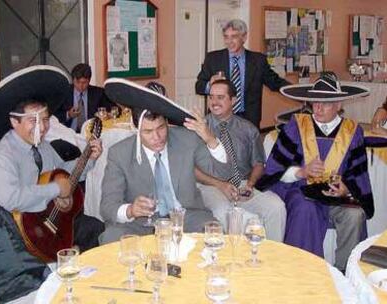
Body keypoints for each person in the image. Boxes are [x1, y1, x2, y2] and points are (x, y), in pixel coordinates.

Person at [0, 66, 104, 253]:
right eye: (33, 121)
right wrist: (55, 189)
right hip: (13, 232)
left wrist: (89, 159)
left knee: (96, 230)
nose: (42, 127)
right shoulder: (2, 156)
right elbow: (10, 198)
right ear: (15, 122)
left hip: (45, 221)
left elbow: (63, 173)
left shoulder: (42, 145)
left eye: (45, 120)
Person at [257, 72, 374, 272]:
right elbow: (275, 170)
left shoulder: (352, 131)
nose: (317, 108)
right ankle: (304, 270)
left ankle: (344, 272)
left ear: (338, 104)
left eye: (325, 103)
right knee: (305, 209)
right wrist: (301, 172)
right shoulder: (296, 126)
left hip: (338, 198)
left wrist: (346, 188)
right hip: (303, 193)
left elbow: (358, 174)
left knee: (355, 216)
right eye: (314, 102)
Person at [99, 79, 232, 243]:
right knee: (110, 238)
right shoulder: (119, 153)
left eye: (161, 128)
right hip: (141, 224)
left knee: (215, 236)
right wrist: (131, 210)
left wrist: (210, 138)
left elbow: (223, 173)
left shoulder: (187, 140)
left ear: (167, 123)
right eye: (148, 131)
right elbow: (107, 206)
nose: (157, 137)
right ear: (137, 130)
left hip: (186, 217)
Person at [196, 79, 286, 241]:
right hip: (210, 186)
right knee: (224, 211)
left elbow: (258, 163)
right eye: (211, 97)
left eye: (220, 97)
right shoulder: (199, 128)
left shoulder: (248, 129)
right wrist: (220, 184)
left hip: (242, 184)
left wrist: (250, 185)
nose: (214, 102)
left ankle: (274, 258)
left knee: (276, 206)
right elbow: (192, 169)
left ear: (233, 100)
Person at [195, 19, 290, 128]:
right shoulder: (213, 59)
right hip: (219, 117)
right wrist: (209, 84)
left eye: (234, 36)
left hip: (248, 119)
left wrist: (299, 91)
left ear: (244, 37)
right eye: (226, 37)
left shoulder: (258, 60)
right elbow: (199, 86)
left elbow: (275, 83)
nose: (229, 41)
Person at [55, 63, 119, 132]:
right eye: (77, 82)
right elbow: (53, 115)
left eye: (84, 82)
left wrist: (107, 115)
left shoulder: (99, 93)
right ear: (73, 80)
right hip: (68, 134)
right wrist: (68, 114)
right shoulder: (64, 92)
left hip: (92, 134)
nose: (80, 85)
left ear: (89, 80)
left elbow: (115, 110)